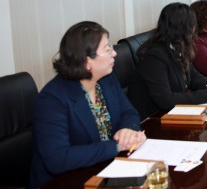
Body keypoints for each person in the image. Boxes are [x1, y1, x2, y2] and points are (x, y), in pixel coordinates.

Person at [29, 21, 146, 188]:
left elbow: (130, 113)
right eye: (107, 49)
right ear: (86, 61)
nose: (114, 53)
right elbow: (58, 159)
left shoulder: (106, 79)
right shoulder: (52, 100)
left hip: (105, 170)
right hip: (64, 181)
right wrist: (117, 146)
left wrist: (127, 130)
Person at [128, 3, 207, 120]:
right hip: (153, 119)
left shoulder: (179, 46)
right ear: (182, 27)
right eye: (192, 25)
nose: (194, 29)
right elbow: (166, 100)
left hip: (173, 113)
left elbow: (194, 76)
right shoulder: (154, 56)